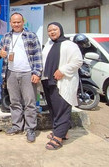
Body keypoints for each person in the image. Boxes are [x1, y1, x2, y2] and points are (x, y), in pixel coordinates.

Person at [0, 12, 43, 143]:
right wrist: (0, 53)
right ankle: (17, 126)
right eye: (14, 22)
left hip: (28, 73)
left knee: (30, 102)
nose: (16, 24)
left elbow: (38, 55)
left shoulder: (31, 36)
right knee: (14, 101)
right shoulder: (6, 36)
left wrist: (37, 72)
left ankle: (30, 129)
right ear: (10, 23)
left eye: (19, 22)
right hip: (11, 72)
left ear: (23, 22)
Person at [41, 22, 82, 150]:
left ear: (61, 30)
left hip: (63, 81)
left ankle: (58, 137)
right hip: (48, 81)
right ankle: (61, 132)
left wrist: (62, 71)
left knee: (62, 108)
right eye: (50, 30)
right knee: (53, 107)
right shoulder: (48, 44)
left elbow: (77, 61)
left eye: (55, 29)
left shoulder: (70, 45)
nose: (52, 32)